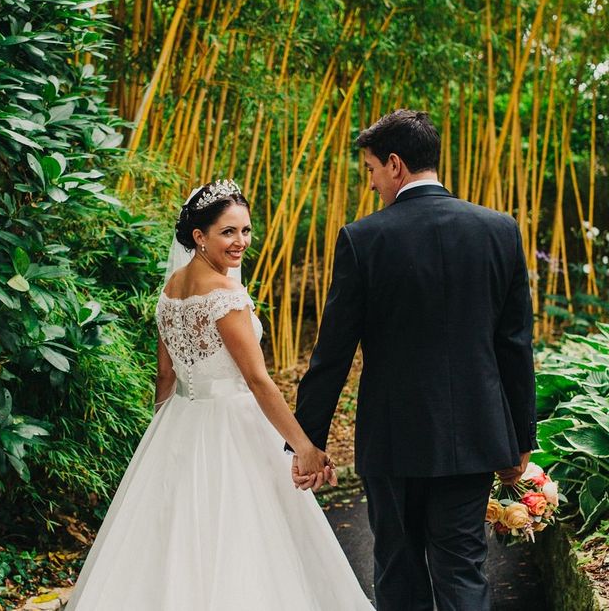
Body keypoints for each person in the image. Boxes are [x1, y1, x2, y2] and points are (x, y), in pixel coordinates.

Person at [66, 180, 374, 610]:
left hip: (181, 419)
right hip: (233, 425)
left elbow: (165, 375)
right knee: (243, 536)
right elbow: (257, 380)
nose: (241, 242)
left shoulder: (172, 286)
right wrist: (304, 446)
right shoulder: (225, 295)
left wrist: (164, 433)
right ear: (199, 236)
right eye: (228, 232)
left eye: (245, 230)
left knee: (173, 535)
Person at [292, 109, 537, 611]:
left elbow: (333, 352)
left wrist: (307, 439)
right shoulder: (499, 230)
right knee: (464, 569)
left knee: (399, 570)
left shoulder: (364, 239)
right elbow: (514, 345)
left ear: (396, 164)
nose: (372, 183)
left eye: (372, 170)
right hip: (475, 433)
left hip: (394, 437)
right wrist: (519, 440)